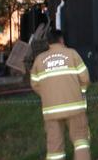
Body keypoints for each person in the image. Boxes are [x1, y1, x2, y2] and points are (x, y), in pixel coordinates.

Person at [30, 29, 90, 160]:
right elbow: (85, 78)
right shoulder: (72, 54)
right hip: (74, 107)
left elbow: (35, 84)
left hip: (51, 110)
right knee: (80, 140)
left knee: (54, 147)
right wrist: (81, 91)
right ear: (61, 40)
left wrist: (48, 95)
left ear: (48, 43)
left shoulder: (39, 59)